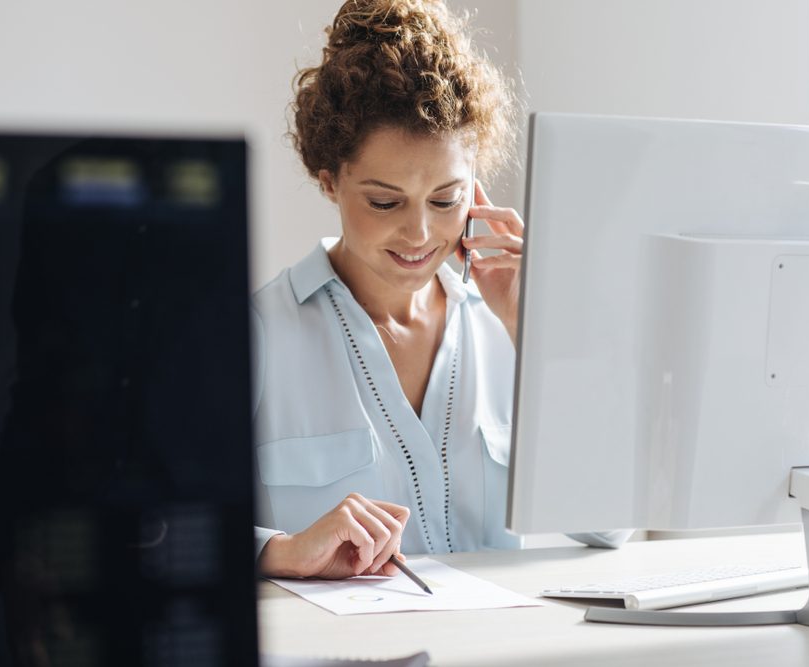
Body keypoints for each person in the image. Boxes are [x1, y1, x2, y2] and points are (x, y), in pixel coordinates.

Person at [253, 0, 630, 580]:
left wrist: (537, 336)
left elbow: (610, 524)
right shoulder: (257, 334)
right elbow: (155, 527)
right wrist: (281, 549)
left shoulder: (505, 328)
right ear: (330, 179)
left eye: (446, 199)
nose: (420, 233)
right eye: (385, 202)